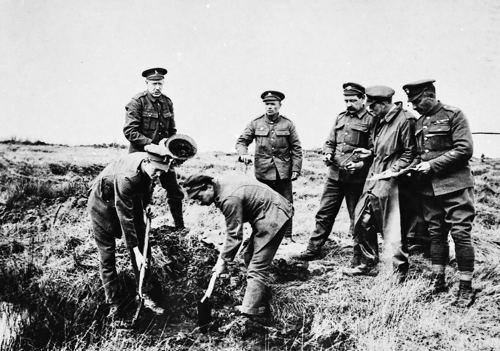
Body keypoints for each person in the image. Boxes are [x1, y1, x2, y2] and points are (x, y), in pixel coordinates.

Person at [403, 79, 476, 307]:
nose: (412, 106)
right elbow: (419, 153)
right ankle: (438, 279)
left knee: (461, 234)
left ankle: (465, 287)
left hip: (455, 186)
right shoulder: (419, 122)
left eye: (415, 101)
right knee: (436, 234)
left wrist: (432, 165)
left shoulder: (454, 114)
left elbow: (464, 149)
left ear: (429, 95)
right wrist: (408, 168)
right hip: (428, 189)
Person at [183, 174, 293, 323]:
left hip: (274, 216)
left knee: (257, 267)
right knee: (249, 255)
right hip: (267, 213)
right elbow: (232, 229)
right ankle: (259, 297)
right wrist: (223, 258)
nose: (198, 203)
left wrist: (223, 262)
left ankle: (249, 314)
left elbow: (235, 236)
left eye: (198, 197)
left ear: (208, 187)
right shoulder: (218, 185)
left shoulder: (229, 198)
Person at [88, 144, 171, 318]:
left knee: (143, 247)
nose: (158, 175)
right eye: (156, 171)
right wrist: (134, 249)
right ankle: (114, 302)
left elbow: (148, 184)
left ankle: (144, 292)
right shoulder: (127, 177)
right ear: (147, 162)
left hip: (127, 200)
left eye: (162, 172)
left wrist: (147, 204)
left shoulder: (151, 167)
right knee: (107, 253)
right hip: (102, 204)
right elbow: (124, 216)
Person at [295, 83, 375, 263]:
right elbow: (330, 142)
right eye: (346, 100)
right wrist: (327, 153)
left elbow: (375, 150)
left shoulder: (371, 120)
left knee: (358, 217)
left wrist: (362, 164)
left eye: (353, 100)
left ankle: (359, 256)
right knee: (324, 214)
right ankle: (313, 249)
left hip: (356, 179)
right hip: (334, 176)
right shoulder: (340, 118)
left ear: (363, 99)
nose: (348, 104)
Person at [343, 85, 416, 279]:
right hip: (374, 174)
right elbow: (378, 148)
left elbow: (410, 152)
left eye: (372, 107)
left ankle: (398, 271)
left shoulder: (405, 120)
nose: (370, 111)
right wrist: (369, 153)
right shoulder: (379, 120)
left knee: (391, 225)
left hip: (392, 179)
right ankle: (368, 263)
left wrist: (393, 171)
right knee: (362, 218)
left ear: (383, 104)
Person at [123, 67, 185, 230]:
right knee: (140, 194)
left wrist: (169, 144)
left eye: (160, 84)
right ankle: (141, 230)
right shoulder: (137, 102)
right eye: (154, 83)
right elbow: (130, 131)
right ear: (147, 83)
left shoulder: (167, 102)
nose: (157, 87)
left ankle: (180, 228)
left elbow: (172, 130)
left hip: (164, 156)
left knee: (174, 191)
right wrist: (150, 145)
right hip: (142, 156)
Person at [235, 90, 302, 238]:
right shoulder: (256, 123)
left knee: (286, 204)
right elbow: (241, 141)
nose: (269, 107)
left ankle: (286, 236)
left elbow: (296, 147)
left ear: (279, 105)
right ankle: (262, 235)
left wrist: (296, 168)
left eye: (272, 104)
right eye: (267, 104)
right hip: (263, 172)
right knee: (262, 204)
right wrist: (243, 153)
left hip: (283, 172)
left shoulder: (288, 124)